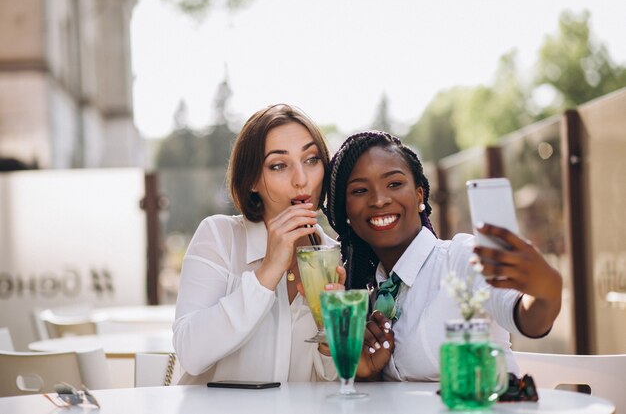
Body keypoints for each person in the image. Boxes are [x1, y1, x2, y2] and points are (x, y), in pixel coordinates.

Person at [324, 130, 562, 381]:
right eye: (360, 190)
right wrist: (368, 372)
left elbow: (529, 318)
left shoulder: (460, 258)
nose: (380, 200)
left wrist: (546, 290)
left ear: (419, 196)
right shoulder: (370, 294)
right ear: (346, 212)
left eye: (394, 184)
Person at [173, 104, 343, 384]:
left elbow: (329, 383)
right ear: (251, 180)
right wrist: (268, 271)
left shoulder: (332, 255)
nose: (302, 180)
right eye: (279, 165)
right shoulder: (219, 237)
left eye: (311, 160)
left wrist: (332, 330)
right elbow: (190, 353)